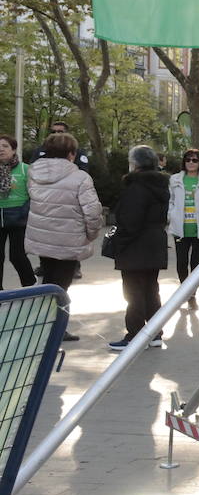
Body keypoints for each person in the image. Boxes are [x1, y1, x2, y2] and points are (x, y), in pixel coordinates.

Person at [25, 132, 102, 341]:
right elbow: (92, 212)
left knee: (48, 280)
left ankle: (41, 324)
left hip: (42, 238)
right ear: (71, 154)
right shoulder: (80, 177)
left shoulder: (33, 172)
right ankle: (57, 329)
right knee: (62, 287)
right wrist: (91, 234)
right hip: (69, 239)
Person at [108, 145, 170, 351]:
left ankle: (134, 335)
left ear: (134, 163)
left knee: (133, 292)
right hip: (155, 242)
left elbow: (130, 221)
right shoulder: (160, 186)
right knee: (151, 290)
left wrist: (118, 241)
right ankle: (154, 333)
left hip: (136, 245)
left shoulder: (136, 188)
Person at [167, 149, 199, 311]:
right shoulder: (175, 179)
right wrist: (171, 215)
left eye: (195, 160)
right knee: (181, 263)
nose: (191, 163)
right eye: (188, 159)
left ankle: (192, 295)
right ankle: (186, 293)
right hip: (180, 228)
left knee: (196, 265)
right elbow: (170, 200)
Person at [0, 135, 38, 291]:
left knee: (17, 256)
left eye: (5, 146)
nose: (1, 149)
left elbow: (34, 194)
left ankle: (31, 286)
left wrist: (24, 211)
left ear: (14, 149)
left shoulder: (26, 169)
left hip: (19, 220)